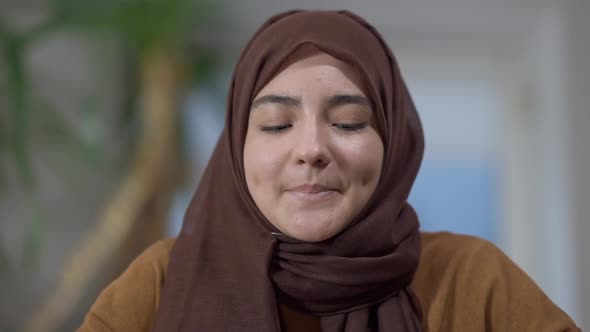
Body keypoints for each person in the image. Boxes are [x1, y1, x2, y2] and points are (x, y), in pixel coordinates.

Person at [78, 10, 580, 332]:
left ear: (393, 144)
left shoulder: (473, 280)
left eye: (348, 121)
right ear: (236, 149)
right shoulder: (161, 284)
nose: (312, 149)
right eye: (276, 125)